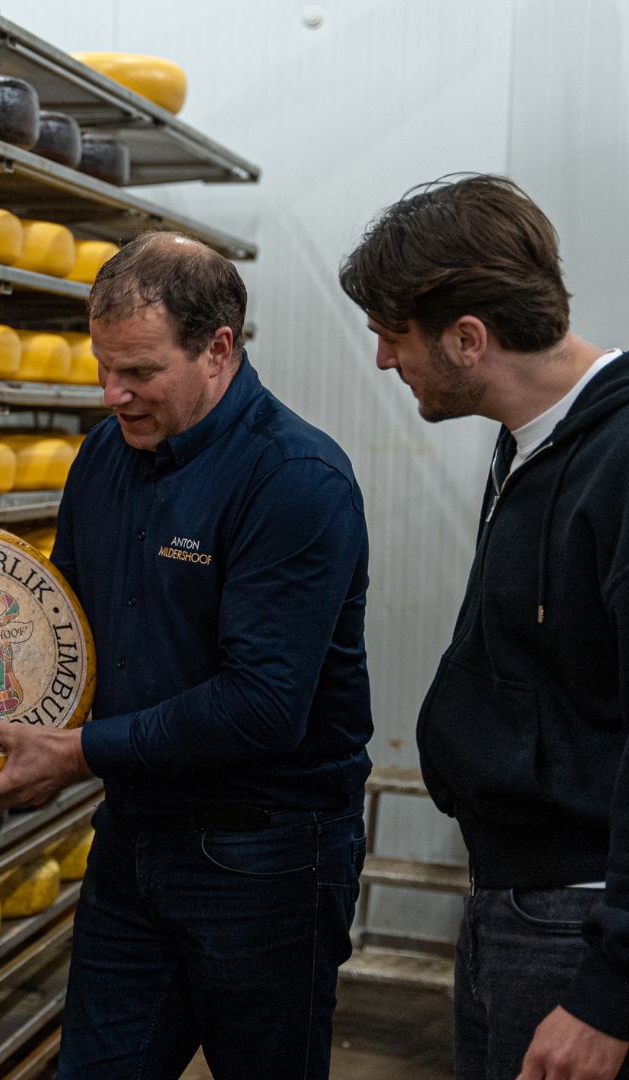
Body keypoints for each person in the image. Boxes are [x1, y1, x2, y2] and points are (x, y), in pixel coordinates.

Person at [0, 231, 373, 1079]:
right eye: (103, 365)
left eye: (140, 371)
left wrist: (77, 754)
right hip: (134, 838)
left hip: (265, 858)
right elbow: (47, 640)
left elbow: (262, 705)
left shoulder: (295, 480)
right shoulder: (106, 455)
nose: (114, 394)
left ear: (218, 349)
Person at [339, 174, 629, 1080]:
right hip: (514, 898)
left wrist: (609, 991)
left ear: (469, 339)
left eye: (394, 337)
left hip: (578, 921)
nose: (386, 361)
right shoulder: (529, 440)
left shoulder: (619, 463)